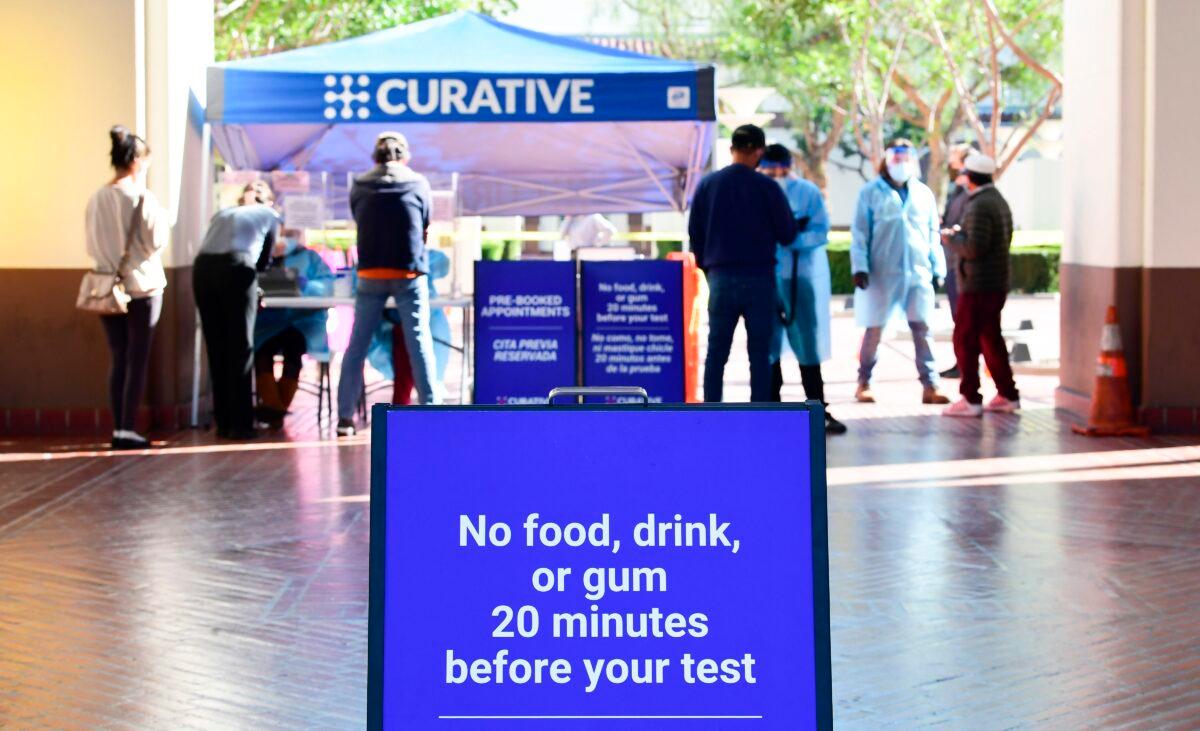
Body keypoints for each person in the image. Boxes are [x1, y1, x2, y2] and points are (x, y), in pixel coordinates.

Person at [336, 131, 440, 436]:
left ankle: (344, 418)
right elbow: (425, 223)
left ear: (375, 157)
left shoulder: (360, 184)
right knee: (418, 341)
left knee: (357, 344)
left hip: (370, 272)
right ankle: (432, 409)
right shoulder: (418, 183)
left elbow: (358, 218)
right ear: (405, 156)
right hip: (409, 272)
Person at [688, 124, 797, 402]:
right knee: (760, 354)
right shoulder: (768, 187)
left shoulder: (708, 185)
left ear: (731, 149)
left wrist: (710, 268)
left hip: (721, 278)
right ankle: (758, 414)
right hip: (760, 278)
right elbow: (787, 234)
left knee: (716, 353)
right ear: (759, 151)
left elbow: (695, 234)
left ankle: (712, 413)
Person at [85, 126, 169, 450]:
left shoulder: (96, 198)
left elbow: (91, 241)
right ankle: (127, 427)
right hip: (142, 285)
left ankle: (119, 427)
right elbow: (157, 241)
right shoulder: (142, 198)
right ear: (136, 161)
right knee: (137, 357)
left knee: (118, 357)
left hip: (107, 285)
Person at [850, 139, 951, 405]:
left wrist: (937, 267)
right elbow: (860, 233)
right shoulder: (870, 193)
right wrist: (860, 267)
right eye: (897, 157)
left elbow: (932, 233)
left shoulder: (923, 193)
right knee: (874, 330)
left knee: (922, 328)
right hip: (881, 274)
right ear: (887, 159)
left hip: (918, 273)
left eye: (907, 157)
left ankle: (930, 385)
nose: (902, 163)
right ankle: (864, 382)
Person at [757, 144, 846, 434]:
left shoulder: (808, 192)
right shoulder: (755, 191)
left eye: (780, 170)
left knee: (807, 344)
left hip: (800, 278)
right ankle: (771, 410)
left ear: (789, 167)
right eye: (769, 170)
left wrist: (792, 238)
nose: (776, 175)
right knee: (768, 347)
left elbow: (820, 231)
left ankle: (817, 409)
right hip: (765, 277)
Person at [194, 180, 280, 439]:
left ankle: (223, 421)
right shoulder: (270, 215)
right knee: (240, 347)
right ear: (269, 201)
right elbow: (263, 261)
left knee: (216, 346)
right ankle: (241, 425)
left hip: (202, 269)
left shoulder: (223, 213)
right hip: (236, 266)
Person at [941, 152, 1020, 417]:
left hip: (978, 284)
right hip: (993, 282)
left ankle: (970, 398)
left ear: (971, 177)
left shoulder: (979, 205)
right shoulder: (996, 200)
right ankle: (1007, 394)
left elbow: (974, 247)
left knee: (965, 338)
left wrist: (951, 239)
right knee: (990, 338)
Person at [252, 230, 335, 429]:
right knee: (262, 351)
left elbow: (327, 285)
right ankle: (276, 408)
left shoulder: (311, 258)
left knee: (294, 348)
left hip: (303, 321)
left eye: (291, 233)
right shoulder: (261, 257)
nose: (286, 237)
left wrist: (306, 286)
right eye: (283, 232)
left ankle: (274, 409)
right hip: (267, 323)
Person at [939, 143, 974, 379]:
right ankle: (962, 363)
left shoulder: (969, 193)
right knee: (959, 318)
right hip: (952, 261)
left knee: (964, 319)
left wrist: (949, 233)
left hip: (960, 264)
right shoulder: (959, 190)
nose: (951, 162)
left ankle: (966, 366)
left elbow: (964, 227)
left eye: (955, 157)